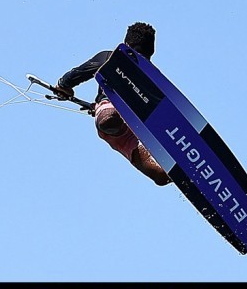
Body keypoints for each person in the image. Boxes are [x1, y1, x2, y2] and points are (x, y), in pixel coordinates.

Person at [52, 22, 171, 187]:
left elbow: (74, 75)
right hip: (136, 126)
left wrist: (63, 86)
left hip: (111, 117)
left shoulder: (109, 57)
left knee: (161, 177)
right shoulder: (154, 75)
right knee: (161, 173)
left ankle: (112, 115)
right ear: (152, 51)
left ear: (126, 43)